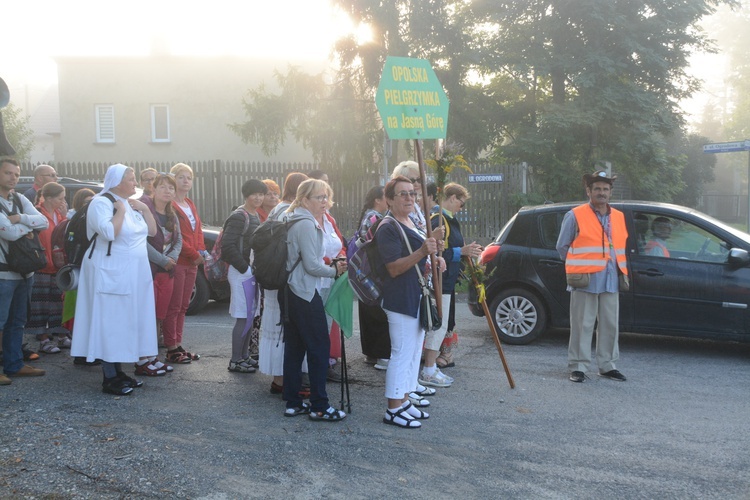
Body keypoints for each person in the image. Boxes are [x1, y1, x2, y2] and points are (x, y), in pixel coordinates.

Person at [69, 164, 158, 395]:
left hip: (132, 274)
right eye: (131, 179)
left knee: (125, 322)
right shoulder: (101, 203)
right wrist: (120, 211)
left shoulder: (128, 203)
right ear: (117, 181)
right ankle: (109, 378)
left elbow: (151, 232)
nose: (135, 183)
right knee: (110, 321)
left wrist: (145, 210)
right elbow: (109, 233)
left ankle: (119, 373)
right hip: (109, 272)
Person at [377, 175, 446, 428]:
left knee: (413, 352)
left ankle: (404, 400)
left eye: (412, 194)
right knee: (402, 353)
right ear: (389, 199)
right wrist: (422, 252)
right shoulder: (388, 227)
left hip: (415, 294)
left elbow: (419, 257)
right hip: (400, 298)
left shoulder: (408, 221)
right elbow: (394, 268)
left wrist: (433, 260)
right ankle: (393, 408)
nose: (409, 198)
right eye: (402, 194)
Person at [280, 178, 347, 421]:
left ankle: (293, 402)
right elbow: (310, 265)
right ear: (304, 199)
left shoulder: (294, 218)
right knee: (319, 347)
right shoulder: (305, 223)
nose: (325, 201)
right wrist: (335, 271)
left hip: (293, 290)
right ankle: (320, 405)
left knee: (295, 347)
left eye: (326, 196)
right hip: (305, 291)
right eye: (319, 197)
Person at [556, 170, 629, 383]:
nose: (601, 193)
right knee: (582, 324)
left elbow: (619, 246)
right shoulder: (575, 215)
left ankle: (607, 366)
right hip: (585, 279)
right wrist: (577, 266)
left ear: (610, 193)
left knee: (610, 325)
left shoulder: (619, 217)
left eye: (605, 189)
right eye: (597, 188)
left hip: (611, 279)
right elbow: (562, 247)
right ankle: (578, 366)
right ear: (589, 191)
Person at [421, 183, 483, 382]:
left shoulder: (448, 219)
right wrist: (462, 252)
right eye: (461, 204)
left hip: (447, 279)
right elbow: (436, 252)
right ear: (453, 197)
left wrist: (464, 252)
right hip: (439, 280)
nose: (461, 208)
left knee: (441, 324)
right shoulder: (438, 219)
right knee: (438, 325)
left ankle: (430, 367)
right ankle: (428, 370)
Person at [259, 172, 308, 396]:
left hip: (273, 276)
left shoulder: (276, 210)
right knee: (285, 328)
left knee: (276, 326)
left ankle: (280, 378)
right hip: (287, 276)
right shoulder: (292, 212)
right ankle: (284, 379)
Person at [0, 159, 48, 385]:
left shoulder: (19, 199)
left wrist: (20, 219)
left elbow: (44, 222)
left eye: (16, 174)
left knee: (17, 321)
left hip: (25, 272)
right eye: (8, 173)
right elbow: (7, 233)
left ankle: (14, 365)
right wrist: (28, 228)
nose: (13, 178)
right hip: (3, 274)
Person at [222, 179, 266, 373]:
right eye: (254, 194)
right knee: (242, 317)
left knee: (250, 315)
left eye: (261, 194)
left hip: (250, 272)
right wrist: (244, 268)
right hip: (242, 273)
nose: (258, 197)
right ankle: (235, 360)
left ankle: (244, 356)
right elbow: (227, 247)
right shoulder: (239, 216)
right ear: (246, 195)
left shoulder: (255, 215)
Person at [163, 163, 205, 364]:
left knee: (184, 306)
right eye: (181, 177)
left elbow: (197, 230)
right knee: (174, 305)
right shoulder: (171, 205)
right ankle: (171, 347)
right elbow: (176, 235)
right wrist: (192, 253)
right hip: (179, 260)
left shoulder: (189, 202)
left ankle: (178, 344)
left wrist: (201, 251)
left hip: (192, 261)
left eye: (189, 177)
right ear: (173, 179)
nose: (185, 180)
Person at [142, 173, 182, 372]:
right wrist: (163, 260)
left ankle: (153, 356)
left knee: (159, 316)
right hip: (149, 270)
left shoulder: (173, 215)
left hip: (167, 272)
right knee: (146, 315)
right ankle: (143, 358)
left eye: (171, 188)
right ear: (154, 189)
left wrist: (171, 259)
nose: (168, 191)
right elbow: (142, 242)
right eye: (163, 187)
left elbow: (179, 241)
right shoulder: (145, 212)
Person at [28, 182, 70, 354]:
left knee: (57, 304)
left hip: (58, 267)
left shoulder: (60, 215)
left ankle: (61, 335)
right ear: (49, 198)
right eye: (60, 198)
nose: (63, 201)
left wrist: (65, 216)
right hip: (41, 266)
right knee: (41, 305)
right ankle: (43, 339)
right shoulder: (37, 213)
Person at [354, 185, 391, 367]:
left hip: (364, 271)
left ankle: (371, 353)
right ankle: (382, 356)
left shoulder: (369, 215)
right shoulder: (374, 217)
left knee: (369, 313)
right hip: (373, 271)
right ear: (378, 200)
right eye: (386, 197)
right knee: (379, 314)